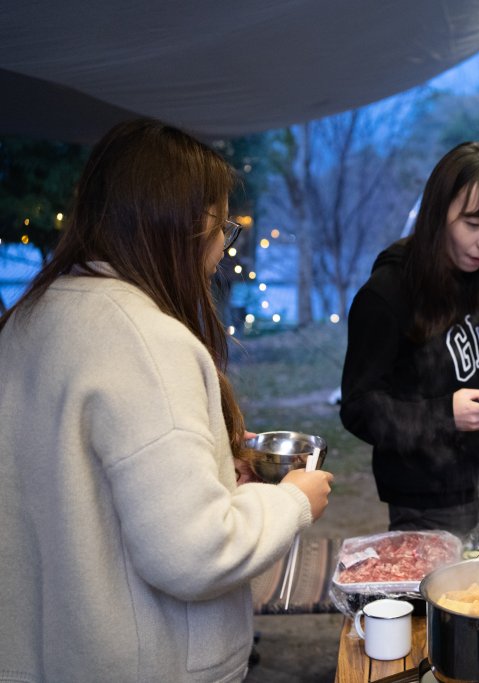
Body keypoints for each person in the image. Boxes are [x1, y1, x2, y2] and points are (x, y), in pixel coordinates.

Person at [0, 119, 334, 682]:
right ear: (186, 225)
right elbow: (195, 552)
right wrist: (293, 500)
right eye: (223, 227)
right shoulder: (147, 341)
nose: (222, 251)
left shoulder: (31, 317)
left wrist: (208, 468)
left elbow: (79, 482)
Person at [340, 142, 479, 536]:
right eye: (473, 223)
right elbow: (359, 409)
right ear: (438, 212)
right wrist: (445, 414)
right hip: (431, 502)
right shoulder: (389, 292)